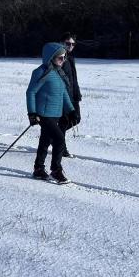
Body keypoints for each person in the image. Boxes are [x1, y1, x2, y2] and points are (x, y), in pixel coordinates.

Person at [26, 42, 77, 184]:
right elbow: (31, 92)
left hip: (55, 114)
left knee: (45, 141)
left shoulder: (58, 73)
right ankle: (56, 170)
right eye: (60, 58)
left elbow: (63, 94)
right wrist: (32, 113)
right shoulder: (41, 72)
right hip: (44, 113)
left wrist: (71, 110)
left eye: (64, 58)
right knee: (59, 139)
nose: (63, 60)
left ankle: (38, 169)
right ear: (51, 57)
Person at [58, 32, 82, 158]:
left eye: (73, 44)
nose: (71, 46)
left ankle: (54, 135)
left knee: (76, 119)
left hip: (73, 95)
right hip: (63, 96)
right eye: (68, 43)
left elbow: (74, 78)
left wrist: (77, 93)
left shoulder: (71, 58)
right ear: (62, 43)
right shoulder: (59, 57)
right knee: (64, 121)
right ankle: (61, 146)